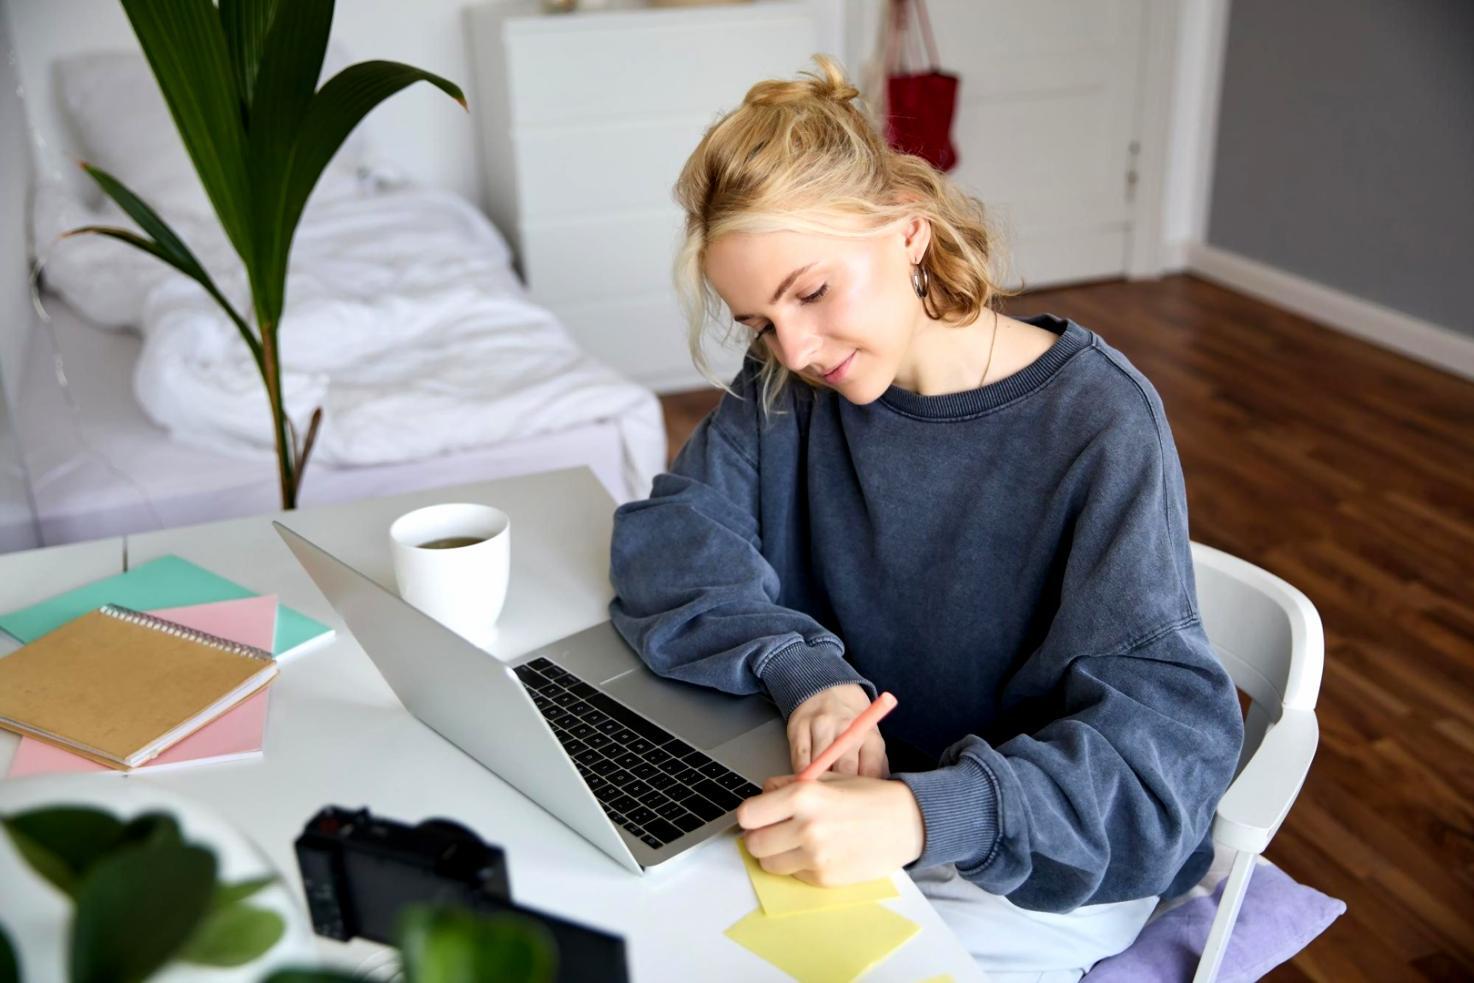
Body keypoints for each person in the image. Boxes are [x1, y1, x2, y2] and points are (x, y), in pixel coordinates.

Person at [607, 54, 1244, 982]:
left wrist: (920, 816)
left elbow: (1157, 770)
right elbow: (674, 542)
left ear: (909, 233)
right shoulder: (791, 379)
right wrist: (806, 672)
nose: (796, 346)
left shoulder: (1099, 425)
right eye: (758, 322)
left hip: (1028, 859)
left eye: (813, 291)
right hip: (853, 805)